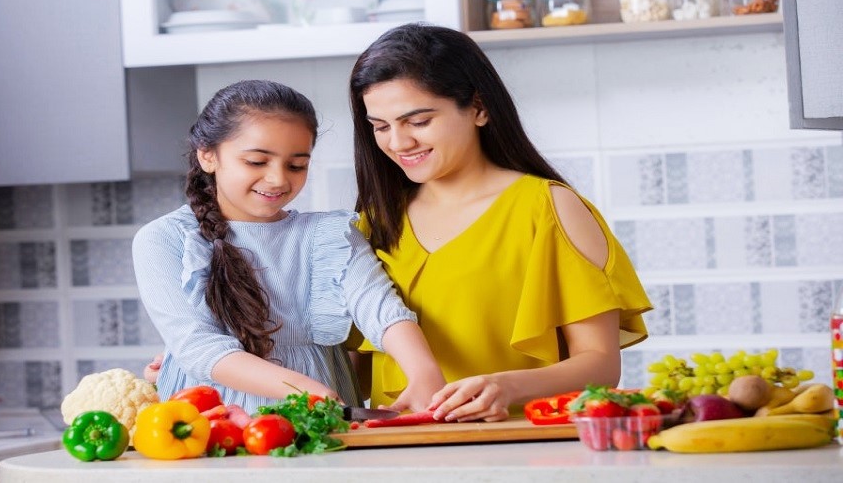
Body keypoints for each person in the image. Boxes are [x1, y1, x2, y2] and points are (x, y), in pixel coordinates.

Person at [347, 23, 652, 423]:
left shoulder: (548, 208)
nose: (398, 143)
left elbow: (600, 364)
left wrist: (506, 386)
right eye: (380, 127)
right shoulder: (375, 222)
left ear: (478, 107)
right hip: (400, 449)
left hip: (521, 445)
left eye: (418, 122)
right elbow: (350, 366)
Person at [132, 80, 445, 415]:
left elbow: (379, 307)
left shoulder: (328, 235)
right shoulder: (164, 238)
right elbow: (199, 346)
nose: (278, 179)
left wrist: (424, 371)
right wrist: (304, 389)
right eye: (256, 161)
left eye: (297, 165)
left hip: (321, 407)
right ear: (208, 155)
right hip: (212, 416)